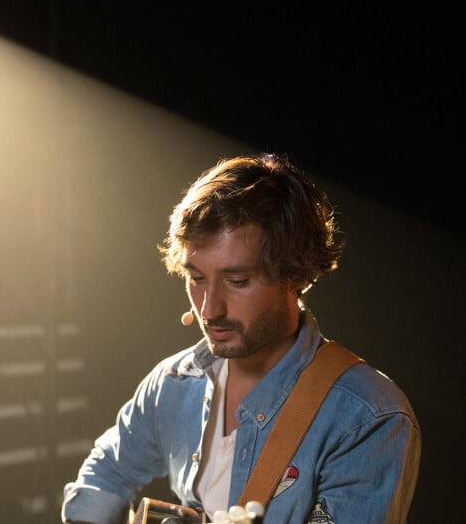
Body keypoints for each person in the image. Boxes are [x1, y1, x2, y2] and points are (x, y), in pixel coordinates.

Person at [61, 153, 421, 523]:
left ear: (294, 274)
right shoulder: (173, 384)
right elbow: (104, 476)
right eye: (197, 278)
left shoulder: (367, 415)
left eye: (237, 281)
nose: (209, 309)